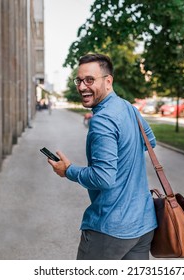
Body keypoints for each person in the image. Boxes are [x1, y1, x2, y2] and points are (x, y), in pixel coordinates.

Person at [48, 53, 157, 260]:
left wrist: (68, 170)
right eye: (79, 80)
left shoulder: (102, 121)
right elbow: (149, 142)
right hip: (143, 225)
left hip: (110, 229)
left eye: (89, 80)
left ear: (108, 81)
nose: (81, 87)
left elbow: (103, 178)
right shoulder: (129, 108)